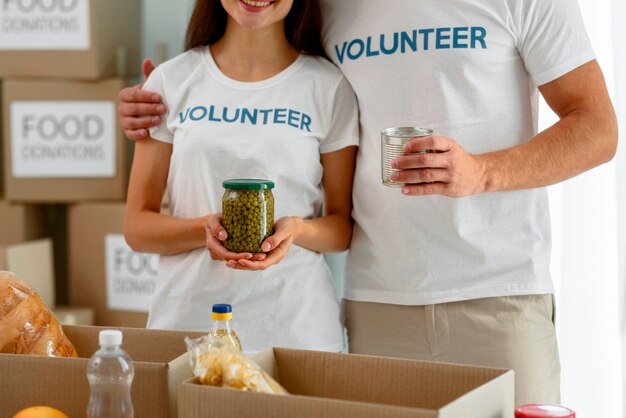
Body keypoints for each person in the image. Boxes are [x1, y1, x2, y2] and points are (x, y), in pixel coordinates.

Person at [119, 0, 618, 405]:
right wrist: (156, 97)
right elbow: (262, 79)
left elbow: (598, 129)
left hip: (498, 294)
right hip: (378, 306)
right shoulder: (330, 10)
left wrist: (482, 172)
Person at [123, 0, 359, 354]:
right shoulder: (172, 80)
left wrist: (296, 230)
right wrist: (205, 230)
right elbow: (137, 227)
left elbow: (341, 227)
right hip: (189, 328)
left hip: (296, 331)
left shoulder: (328, 86)